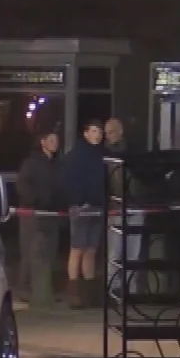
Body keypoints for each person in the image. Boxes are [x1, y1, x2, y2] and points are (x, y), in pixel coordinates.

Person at [58, 121, 109, 309]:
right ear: (86, 133)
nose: (98, 135)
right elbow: (67, 180)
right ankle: (74, 292)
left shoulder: (101, 155)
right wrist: (78, 200)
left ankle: (89, 292)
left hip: (97, 206)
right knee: (77, 248)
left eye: (100, 131)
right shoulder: (76, 156)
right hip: (82, 208)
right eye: (94, 131)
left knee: (91, 250)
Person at [13, 130, 62, 307]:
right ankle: (24, 287)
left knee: (49, 252)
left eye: (56, 140)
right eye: (51, 140)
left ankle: (44, 288)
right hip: (32, 213)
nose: (55, 143)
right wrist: (37, 200)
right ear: (42, 142)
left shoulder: (56, 164)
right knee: (29, 251)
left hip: (51, 213)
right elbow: (23, 185)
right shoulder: (32, 163)